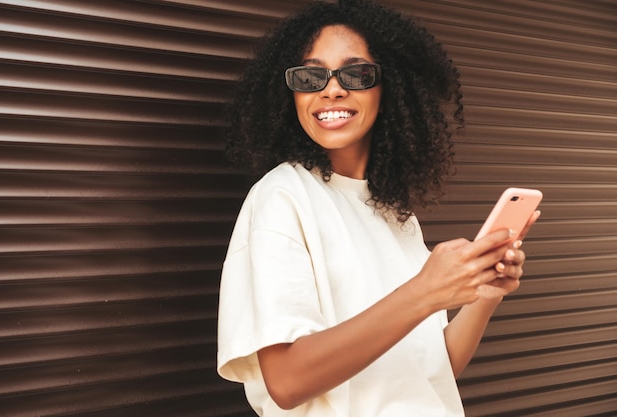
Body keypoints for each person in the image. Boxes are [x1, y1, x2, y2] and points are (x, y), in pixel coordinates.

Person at [217, 0, 540, 416]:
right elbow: (286, 381)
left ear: (391, 89)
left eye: (356, 73)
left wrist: (483, 295)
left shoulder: (396, 215)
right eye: (311, 76)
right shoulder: (282, 197)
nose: (331, 89)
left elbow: (430, 373)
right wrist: (423, 293)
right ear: (291, 95)